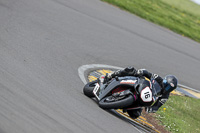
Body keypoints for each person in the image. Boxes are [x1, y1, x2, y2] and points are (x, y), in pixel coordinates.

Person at [106, 66, 178, 119]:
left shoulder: (165, 96)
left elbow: (157, 106)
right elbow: (148, 74)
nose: (166, 88)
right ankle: (113, 75)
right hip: (142, 86)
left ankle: (122, 103)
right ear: (164, 81)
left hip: (145, 98)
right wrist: (141, 72)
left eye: (169, 88)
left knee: (135, 115)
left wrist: (151, 109)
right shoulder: (158, 79)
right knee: (130, 70)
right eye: (166, 85)